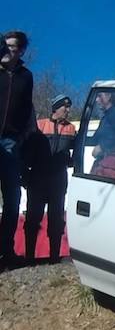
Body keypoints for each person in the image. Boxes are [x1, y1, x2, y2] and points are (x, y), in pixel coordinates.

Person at [0, 30, 34, 266]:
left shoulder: (26, 76)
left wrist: (22, 135)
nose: (6, 49)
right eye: (4, 45)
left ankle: (7, 251)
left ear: (20, 50)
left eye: (11, 46)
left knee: (12, 198)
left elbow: (27, 108)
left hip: (12, 141)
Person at [29, 94, 75, 263]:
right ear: (56, 108)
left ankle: (54, 258)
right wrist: (25, 174)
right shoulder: (40, 125)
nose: (68, 110)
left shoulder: (71, 128)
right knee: (34, 217)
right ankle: (29, 258)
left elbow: (75, 151)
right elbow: (28, 150)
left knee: (56, 218)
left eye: (69, 107)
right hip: (38, 178)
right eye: (65, 107)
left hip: (58, 179)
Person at [90, 91, 115, 179]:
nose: (97, 100)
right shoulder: (105, 117)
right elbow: (95, 139)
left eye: (99, 96)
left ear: (108, 96)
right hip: (103, 163)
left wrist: (102, 146)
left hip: (112, 165)